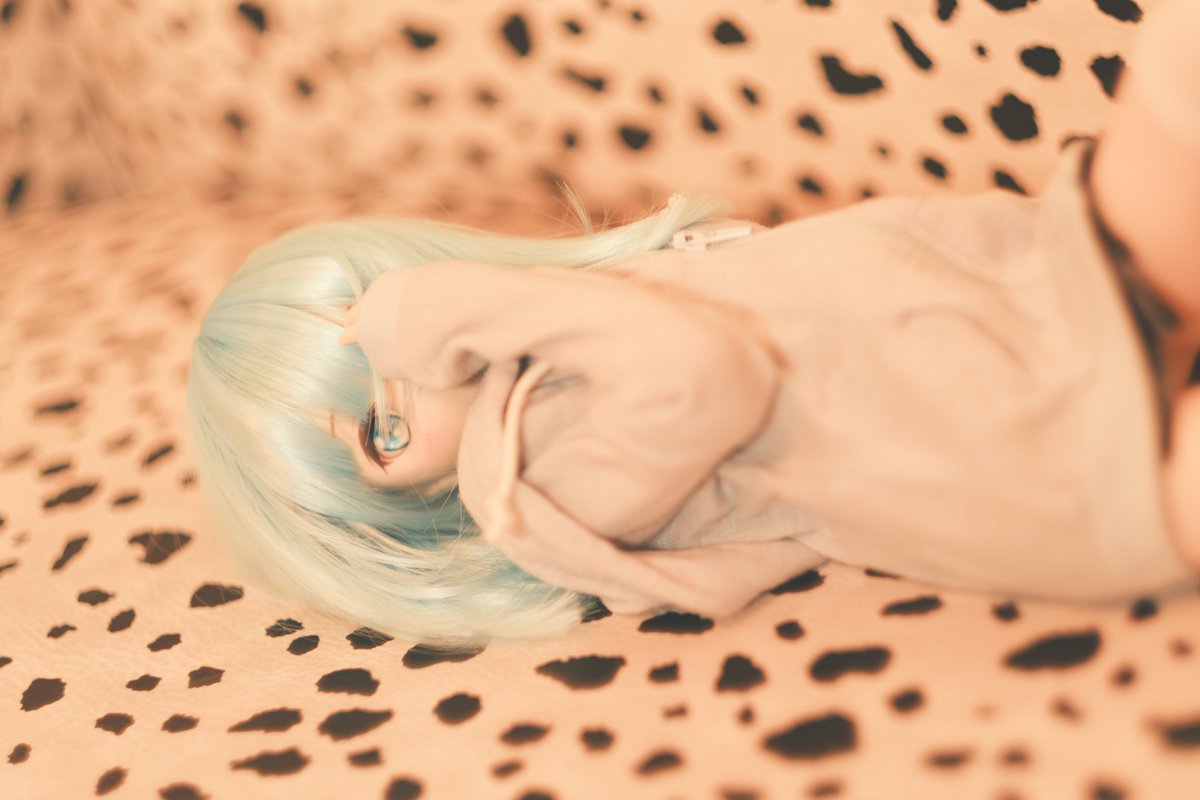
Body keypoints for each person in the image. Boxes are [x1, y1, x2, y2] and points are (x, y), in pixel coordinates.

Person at [188, 0, 1200, 647]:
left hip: (1038, 287)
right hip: (1026, 448)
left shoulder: (545, 347)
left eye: (375, 317)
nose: (406, 361)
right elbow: (705, 373)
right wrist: (439, 307)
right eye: (383, 428)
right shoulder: (538, 480)